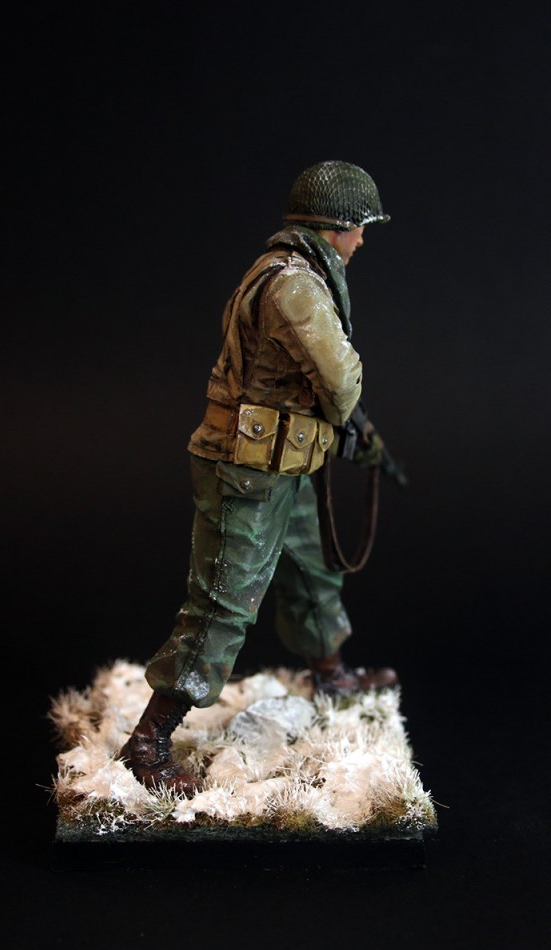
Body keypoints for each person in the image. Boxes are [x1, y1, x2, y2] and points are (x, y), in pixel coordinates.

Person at [119, 161, 398, 796]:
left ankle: (329, 673)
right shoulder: (296, 286)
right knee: (223, 603)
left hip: (281, 464)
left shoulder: (290, 271)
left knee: (311, 568)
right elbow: (341, 381)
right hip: (246, 472)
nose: (362, 240)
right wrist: (344, 417)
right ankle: (148, 743)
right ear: (334, 226)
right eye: (359, 227)